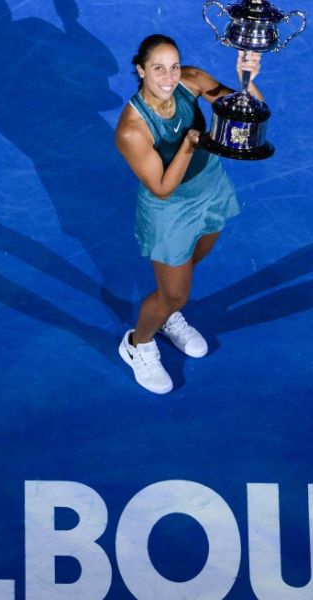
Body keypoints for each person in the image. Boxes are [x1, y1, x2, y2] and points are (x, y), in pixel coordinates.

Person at [114, 34, 263, 394]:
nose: (169, 77)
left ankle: (167, 315)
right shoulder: (132, 130)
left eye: (174, 67)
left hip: (210, 189)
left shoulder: (191, 80)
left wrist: (249, 80)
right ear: (141, 70)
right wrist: (190, 143)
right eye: (158, 69)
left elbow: (248, 113)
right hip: (171, 211)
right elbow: (162, 188)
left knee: (190, 267)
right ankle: (138, 343)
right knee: (175, 295)